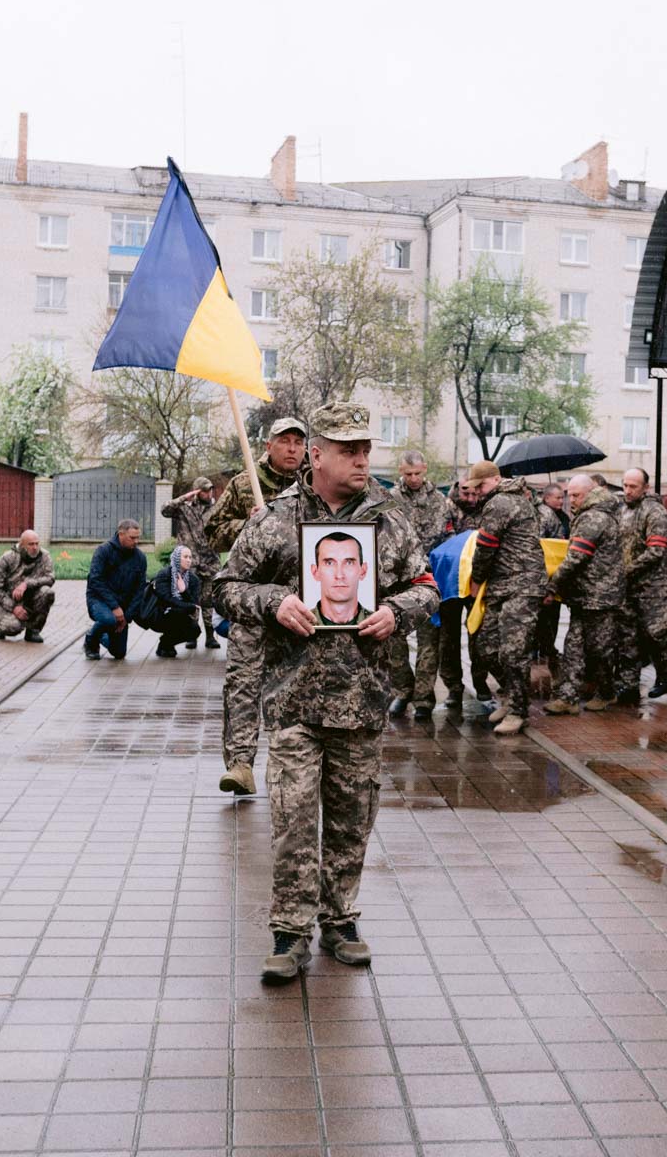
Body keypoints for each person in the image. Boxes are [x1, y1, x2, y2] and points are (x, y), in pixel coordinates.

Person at [215, 402, 439, 983]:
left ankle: (340, 920)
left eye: (366, 449)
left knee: (349, 819)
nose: (362, 459)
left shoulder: (390, 519)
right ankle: (289, 932)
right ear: (317, 455)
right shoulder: (276, 518)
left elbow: (426, 587)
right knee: (292, 818)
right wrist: (273, 602)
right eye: (348, 450)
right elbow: (225, 587)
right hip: (293, 702)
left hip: (362, 700)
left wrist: (397, 611)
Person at [206, 417, 307, 797]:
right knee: (243, 681)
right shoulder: (245, 483)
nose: (292, 449)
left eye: (299, 442)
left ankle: (291, 760)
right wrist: (247, 526)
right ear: (269, 446)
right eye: (285, 442)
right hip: (250, 595)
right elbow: (212, 530)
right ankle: (241, 763)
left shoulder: (311, 486)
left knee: (295, 683)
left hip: (298, 599)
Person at [467, 465, 549, 734]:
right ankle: (513, 697)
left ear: (496, 479)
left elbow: (485, 547)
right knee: (487, 647)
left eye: (481, 485)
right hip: (503, 585)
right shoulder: (505, 499)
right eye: (474, 487)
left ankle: (518, 711)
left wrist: (476, 579)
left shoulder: (500, 502)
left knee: (513, 651)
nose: (477, 491)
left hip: (522, 585)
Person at [545, 474, 624, 716]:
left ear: (590, 493)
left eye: (576, 495)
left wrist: (552, 587)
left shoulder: (594, 518)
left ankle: (607, 692)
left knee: (600, 650)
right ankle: (567, 697)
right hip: (585, 595)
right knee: (574, 647)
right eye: (569, 495)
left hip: (600, 597)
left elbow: (575, 558)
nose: (571, 500)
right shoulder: (590, 515)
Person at [388, 451, 451, 717]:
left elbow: (447, 537)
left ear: (425, 469)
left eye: (417, 473)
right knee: (393, 638)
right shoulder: (390, 499)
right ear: (400, 472)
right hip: (397, 578)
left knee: (429, 641)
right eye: (407, 474)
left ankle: (424, 699)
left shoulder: (439, 501)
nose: (413, 479)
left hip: (428, 577)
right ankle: (402, 691)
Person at [439, 463, 496, 717]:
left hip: (477, 580)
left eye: (474, 493)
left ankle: (481, 684)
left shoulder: (488, 507)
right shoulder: (443, 507)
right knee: (447, 638)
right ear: (458, 488)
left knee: (478, 634)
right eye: (466, 493)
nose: (470, 498)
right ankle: (453, 688)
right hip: (450, 578)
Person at [615, 468, 667, 702]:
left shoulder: (655, 512)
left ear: (645, 488)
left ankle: (665, 676)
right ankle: (628, 685)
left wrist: (626, 570)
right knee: (627, 635)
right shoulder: (621, 510)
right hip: (628, 586)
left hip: (654, 586)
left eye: (633, 487)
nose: (627, 491)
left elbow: (656, 551)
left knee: (654, 633)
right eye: (625, 485)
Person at [162, 480, 220, 649]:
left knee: (208, 600)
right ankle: (191, 635)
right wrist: (184, 498)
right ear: (196, 492)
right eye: (204, 491)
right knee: (190, 599)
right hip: (189, 562)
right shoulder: (185, 508)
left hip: (210, 561)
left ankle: (210, 636)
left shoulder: (216, 508)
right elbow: (165, 510)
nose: (209, 494)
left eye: (210, 490)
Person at [85, 519, 147, 663]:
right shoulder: (104, 551)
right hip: (99, 600)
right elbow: (95, 580)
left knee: (119, 653)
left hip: (122, 607)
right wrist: (115, 607)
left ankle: (101, 635)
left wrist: (127, 617)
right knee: (108, 619)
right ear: (121, 534)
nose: (136, 541)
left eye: (138, 537)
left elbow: (140, 590)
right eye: (132, 538)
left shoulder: (140, 558)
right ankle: (91, 641)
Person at [0, 529, 56, 643]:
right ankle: (0, 628)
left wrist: (27, 583)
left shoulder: (44, 555)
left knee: (48, 593)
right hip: (8, 601)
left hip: (31, 598)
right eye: (31, 544)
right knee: (13, 627)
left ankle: (33, 630)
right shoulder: (7, 558)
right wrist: (14, 607)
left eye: (37, 543)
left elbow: (50, 578)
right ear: (22, 545)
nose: (35, 547)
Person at [533, 481, 569, 668]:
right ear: (547, 498)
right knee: (543, 617)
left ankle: (548, 648)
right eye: (558, 497)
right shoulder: (543, 515)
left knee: (553, 615)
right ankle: (542, 649)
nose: (561, 501)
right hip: (545, 573)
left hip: (556, 574)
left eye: (563, 497)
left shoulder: (562, 516)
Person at [151, 545, 205, 657]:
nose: (189, 560)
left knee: (195, 630)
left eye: (190, 557)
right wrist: (187, 606)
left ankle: (166, 642)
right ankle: (167, 644)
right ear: (176, 558)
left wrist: (184, 590)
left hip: (182, 614)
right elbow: (165, 599)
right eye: (185, 557)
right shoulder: (164, 575)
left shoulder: (193, 579)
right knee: (176, 613)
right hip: (161, 614)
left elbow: (194, 602)